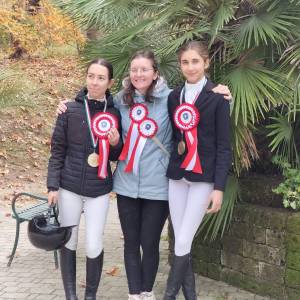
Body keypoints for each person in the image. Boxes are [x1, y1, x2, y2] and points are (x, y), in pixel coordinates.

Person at [57, 50, 232, 300]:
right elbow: (95, 100)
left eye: (145, 69)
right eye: (134, 69)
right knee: (130, 243)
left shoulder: (172, 98)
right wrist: (67, 102)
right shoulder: (119, 99)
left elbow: (201, 118)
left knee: (149, 244)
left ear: (155, 73)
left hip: (158, 184)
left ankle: (148, 292)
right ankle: (134, 294)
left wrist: (223, 93)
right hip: (126, 183)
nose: (139, 74)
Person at [47, 58, 122, 300]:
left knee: (93, 244)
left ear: (110, 82)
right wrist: (52, 186)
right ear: (85, 77)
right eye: (91, 76)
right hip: (69, 187)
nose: (95, 82)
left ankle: (90, 296)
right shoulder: (68, 109)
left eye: (101, 78)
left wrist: (115, 143)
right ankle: (71, 295)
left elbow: (117, 155)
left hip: (98, 189)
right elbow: (57, 150)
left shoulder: (114, 113)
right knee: (69, 241)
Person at [163, 41, 232, 300]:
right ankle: (190, 296)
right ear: (180, 65)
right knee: (182, 239)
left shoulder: (218, 96)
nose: (190, 67)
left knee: (182, 240)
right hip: (178, 176)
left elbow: (224, 146)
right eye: (185, 62)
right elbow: (174, 136)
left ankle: (169, 296)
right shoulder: (174, 96)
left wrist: (219, 188)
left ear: (206, 63)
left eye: (195, 61)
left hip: (203, 177)